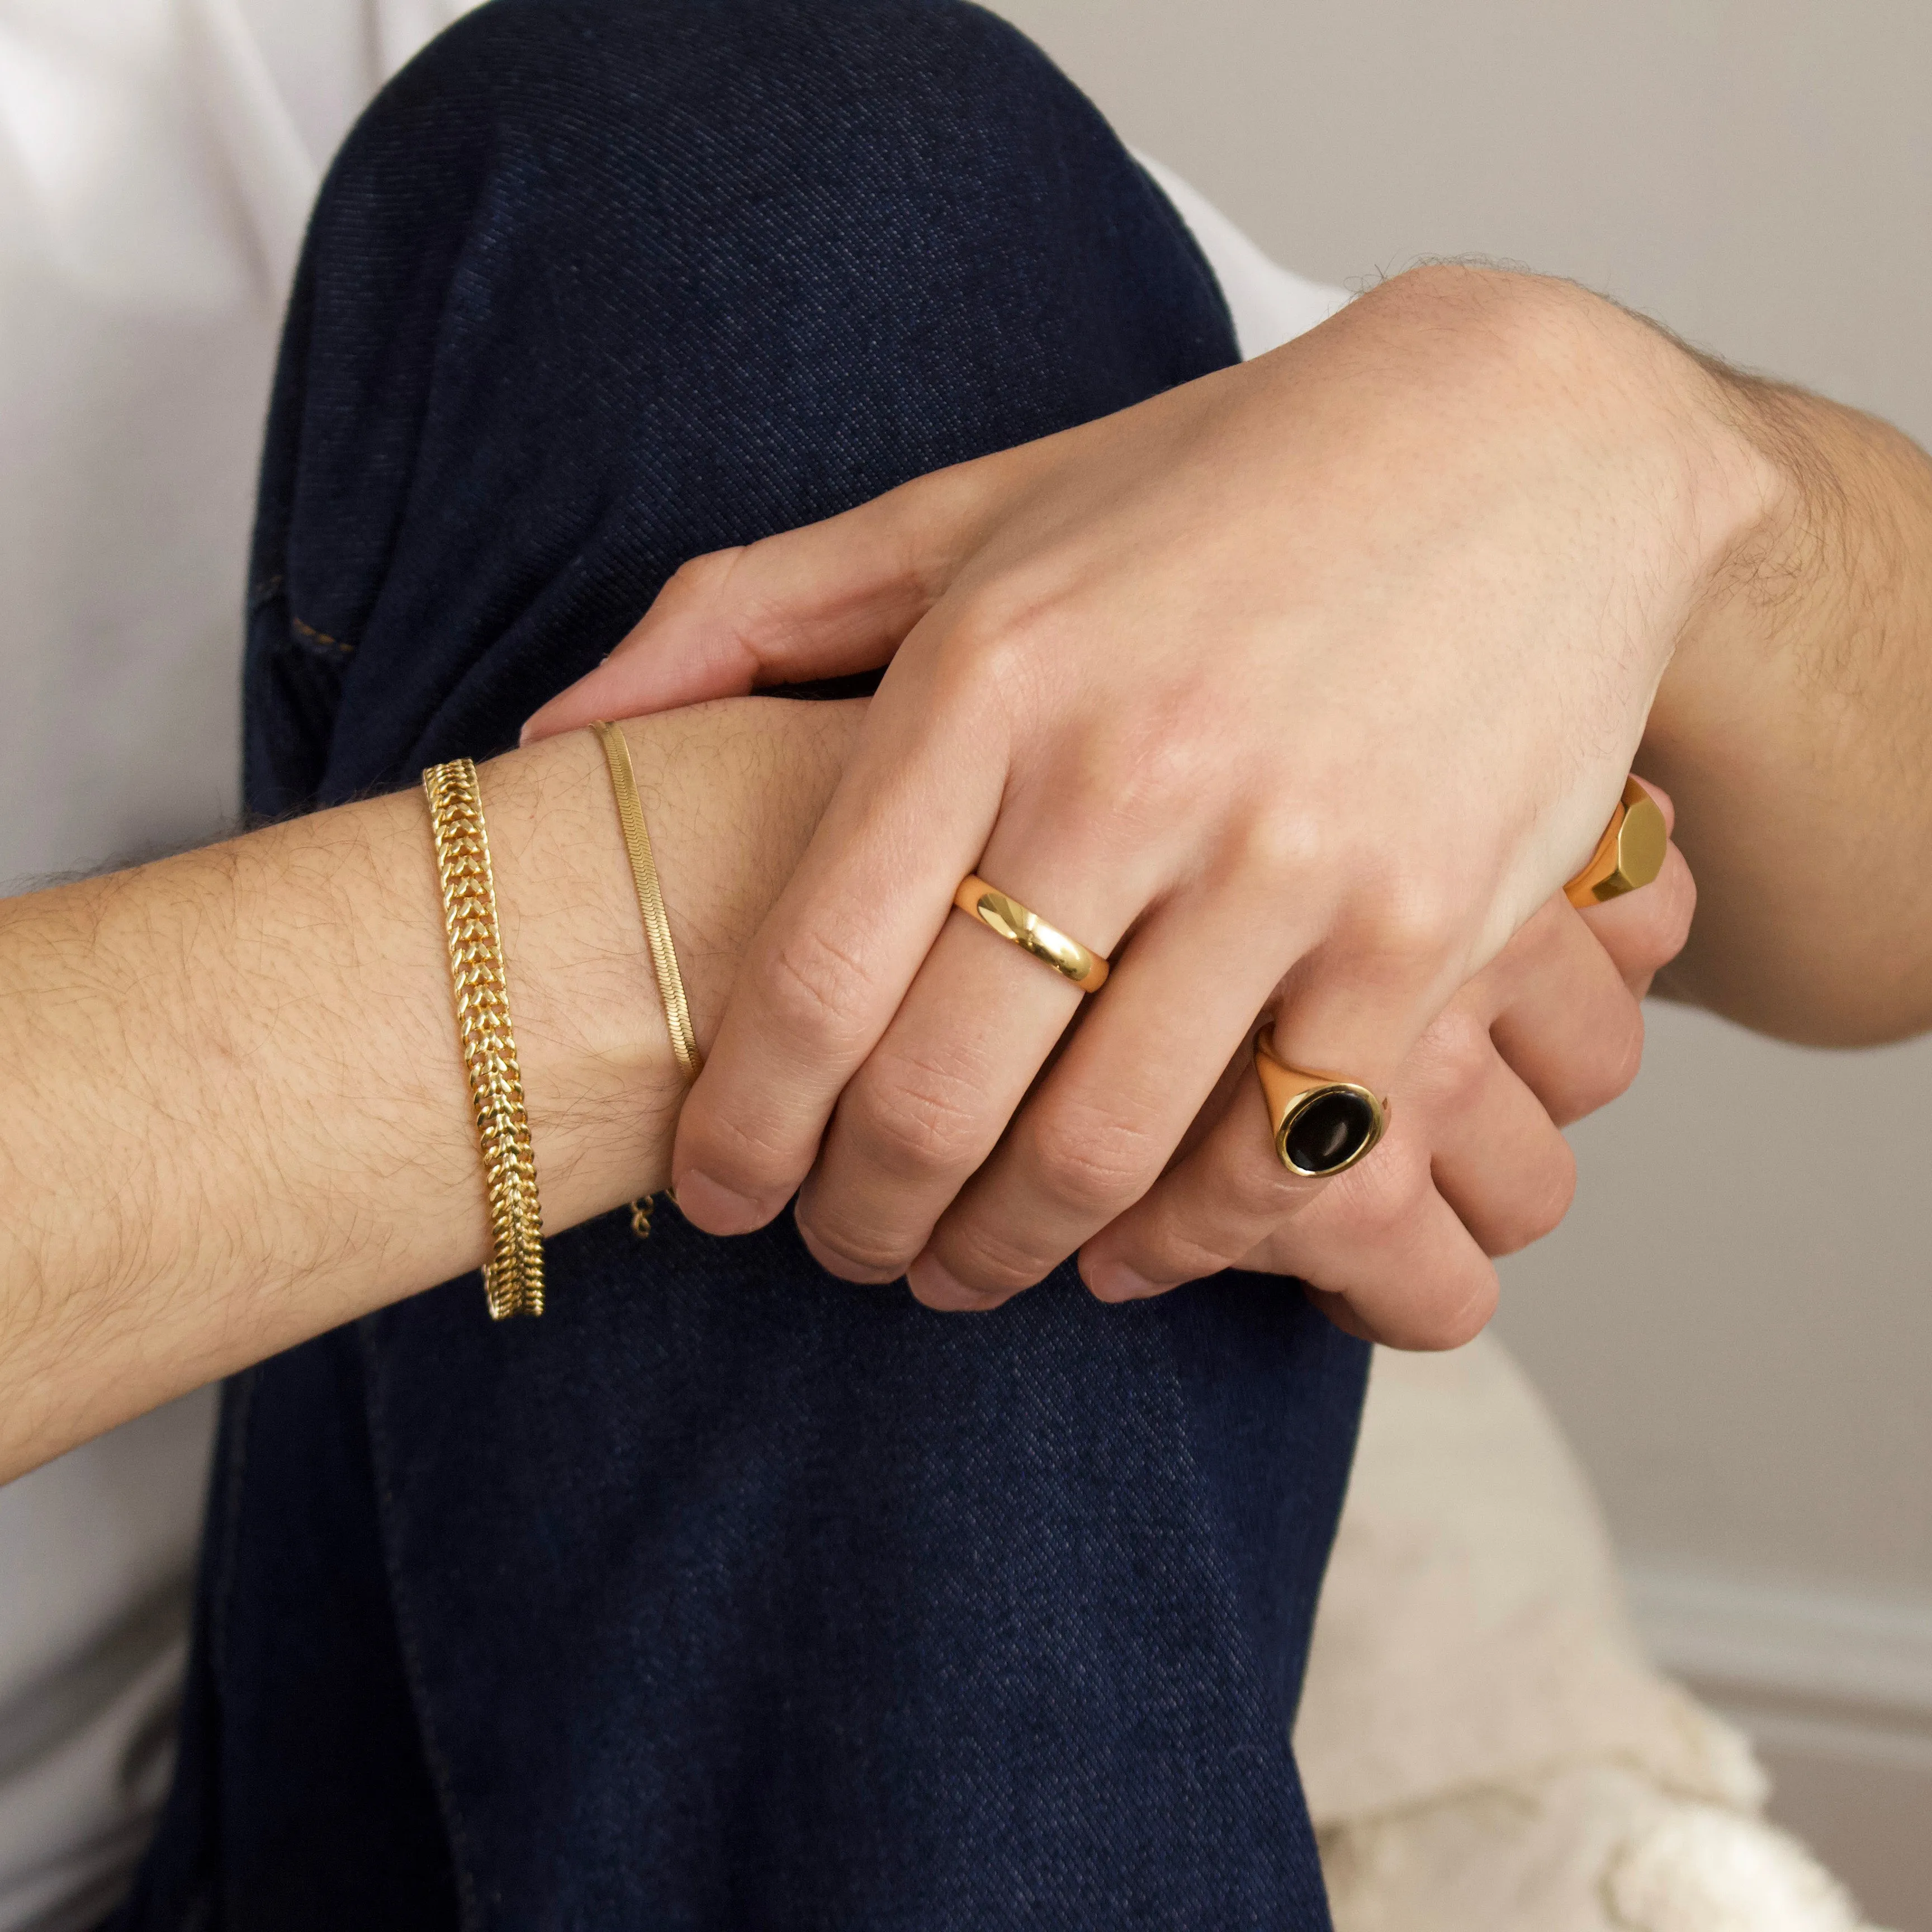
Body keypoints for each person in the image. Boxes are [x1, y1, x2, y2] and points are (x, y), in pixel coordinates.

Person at [0, 0, 1924, 1924]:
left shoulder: (250, 62)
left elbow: (1888, 895)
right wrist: (756, 898)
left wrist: (1600, 462)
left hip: (370, 1780)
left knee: (793, 159)